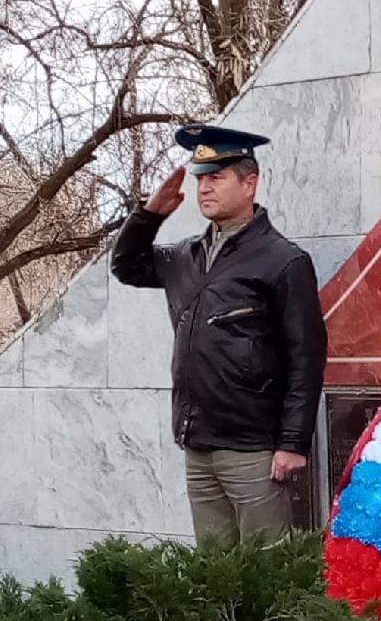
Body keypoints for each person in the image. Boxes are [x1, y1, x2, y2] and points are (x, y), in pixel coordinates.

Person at [111, 124, 327, 544]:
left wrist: (293, 442)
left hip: (253, 449)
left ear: (249, 183)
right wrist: (149, 215)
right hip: (198, 444)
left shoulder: (283, 260)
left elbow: (306, 357)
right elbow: (126, 266)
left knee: (266, 568)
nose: (204, 188)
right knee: (214, 570)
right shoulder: (185, 256)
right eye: (200, 179)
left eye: (217, 177)